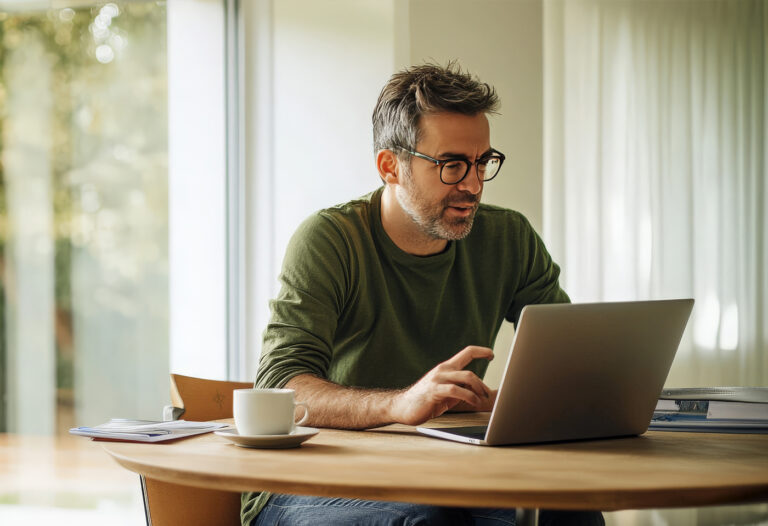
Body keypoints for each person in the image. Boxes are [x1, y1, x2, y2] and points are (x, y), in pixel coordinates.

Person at [242, 62, 604, 526]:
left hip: (453, 476)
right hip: (312, 483)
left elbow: (569, 355)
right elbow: (279, 383)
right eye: (451, 165)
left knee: (572, 512)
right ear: (390, 166)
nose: (473, 185)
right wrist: (398, 405)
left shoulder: (509, 238)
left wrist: (515, 401)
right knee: (425, 520)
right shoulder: (330, 240)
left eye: (482, 162)